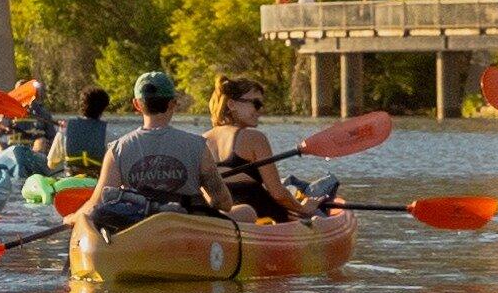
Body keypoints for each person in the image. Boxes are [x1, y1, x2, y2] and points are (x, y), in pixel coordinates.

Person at [76, 71, 237, 230]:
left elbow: (96, 206)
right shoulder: (198, 145)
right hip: (186, 230)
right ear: (172, 104)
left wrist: (71, 217)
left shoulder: (117, 150)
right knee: (246, 212)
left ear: (137, 105)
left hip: (139, 231)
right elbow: (224, 202)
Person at [206, 73, 325, 222]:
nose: (259, 110)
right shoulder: (254, 137)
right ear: (231, 104)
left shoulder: (201, 140)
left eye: (261, 105)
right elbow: (278, 194)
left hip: (218, 215)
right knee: (317, 214)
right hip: (261, 215)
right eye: (255, 104)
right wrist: (304, 208)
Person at [49, 86, 113, 179]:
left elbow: (51, 163)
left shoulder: (64, 131)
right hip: (96, 184)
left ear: (82, 105)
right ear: (103, 108)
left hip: (70, 183)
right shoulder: (109, 135)